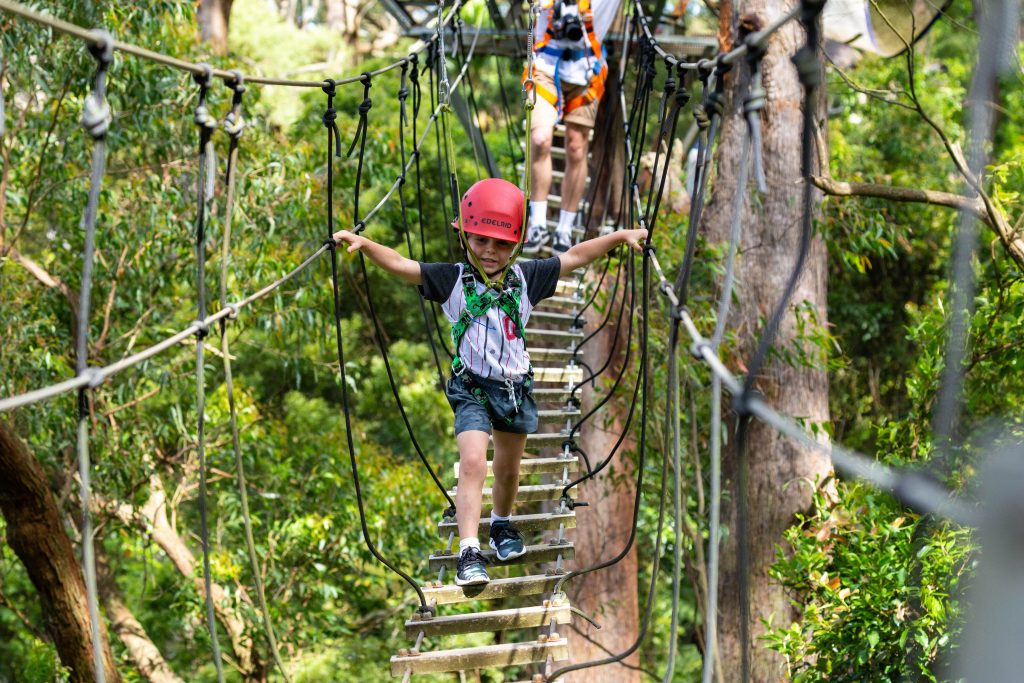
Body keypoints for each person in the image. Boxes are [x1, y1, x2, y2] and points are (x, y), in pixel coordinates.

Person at [333, 177, 646, 586]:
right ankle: (469, 551)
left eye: (500, 244)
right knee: (474, 463)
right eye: (480, 241)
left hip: (514, 392)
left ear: (515, 245)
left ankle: (501, 525)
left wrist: (619, 236)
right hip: (472, 391)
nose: (490, 252)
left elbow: (574, 257)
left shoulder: (527, 278)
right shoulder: (451, 279)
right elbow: (402, 265)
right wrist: (367, 246)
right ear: (463, 236)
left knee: (509, 471)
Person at [522, 0, 620, 255]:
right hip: (544, 65)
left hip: (587, 71)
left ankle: (564, 228)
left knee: (577, 147)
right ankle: (538, 223)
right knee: (540, 139)